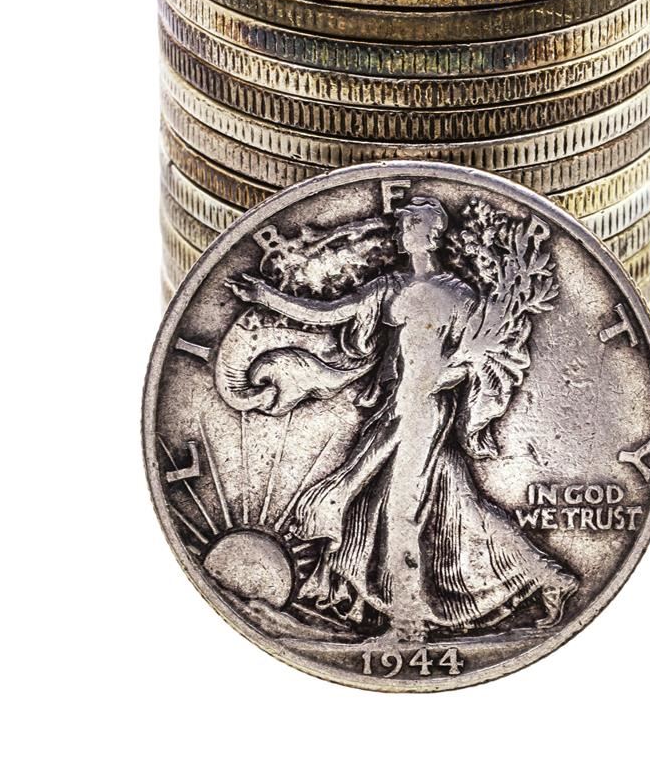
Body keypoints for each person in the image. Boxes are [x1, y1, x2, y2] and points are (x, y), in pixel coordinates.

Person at [227, 196, 577, 642]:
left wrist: (443, 377)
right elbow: (330, 313)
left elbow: (477, 358)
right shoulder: (389, 288)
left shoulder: (459, 295)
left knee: (400, 512)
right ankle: (551, 578)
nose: (403, 231)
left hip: (425, 412)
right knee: (455, 506)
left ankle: (408, 627)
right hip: (396, 408)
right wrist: (267, 297)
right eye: (404, 224)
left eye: (412, 225)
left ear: (432, 233)